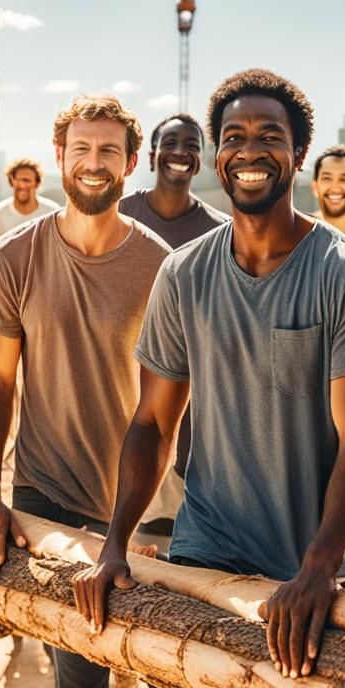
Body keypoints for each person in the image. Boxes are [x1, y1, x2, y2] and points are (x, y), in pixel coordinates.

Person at [73, 68, 345, 688]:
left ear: (300, 153)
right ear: (216, 154)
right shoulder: (186, 273)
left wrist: (319, 565)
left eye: (270, 137)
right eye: (236, 138)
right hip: (216, 557)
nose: (250, 151)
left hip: (320, 560)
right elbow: (152, 420)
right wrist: (116, 542)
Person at [0, 94, 175, 688]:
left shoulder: (161, 267)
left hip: (146, 504)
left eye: (110, 151)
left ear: (132, 161)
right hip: (47, 500)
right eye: (82, 149)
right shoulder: (14, 256)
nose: (95, 163)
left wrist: (130, 529)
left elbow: (171, 406)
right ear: (59, 157)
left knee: (177, 685)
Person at [118, 113, 228, 550]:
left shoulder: (219, 232)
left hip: (186, 391)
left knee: (173, 527)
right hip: (122, 382)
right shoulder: (122, 214)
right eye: (171, 143)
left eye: (191, 146)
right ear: (151, 155)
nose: (180, 153)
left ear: (201, 161)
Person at [0, 157, 61, 235]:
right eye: (17, 180)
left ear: (37, 184)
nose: (22, 185)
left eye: (27, 180)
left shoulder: (52, 212)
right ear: (12, 182)